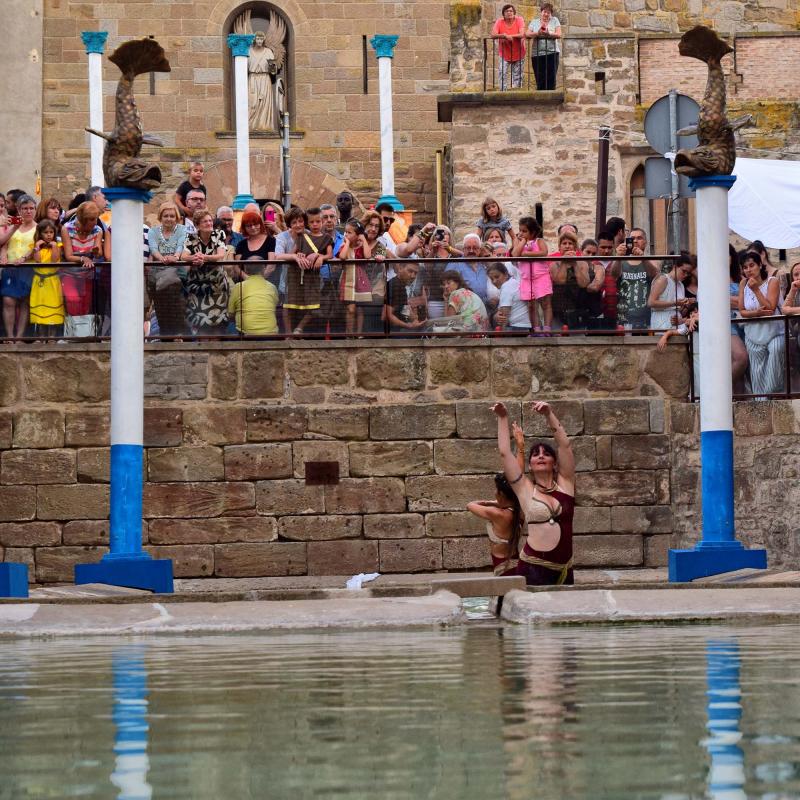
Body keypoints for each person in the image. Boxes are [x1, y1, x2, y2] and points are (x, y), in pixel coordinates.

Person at [492, 399, 576, 586]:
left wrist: (549, 414)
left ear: (555, 463)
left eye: (546, 453)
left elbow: (565, 446)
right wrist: (502, 417)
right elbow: (505, 452)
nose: (540, 455)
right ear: (529, 464)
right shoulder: (524, 488)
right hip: (534, 568)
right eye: (536, 454)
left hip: (564, 570)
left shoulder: (566, 484)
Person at [738, 249, 785, 397]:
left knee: (776, 351)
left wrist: (756, 290)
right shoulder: (743, 283)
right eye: (745, 267)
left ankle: (772, 392)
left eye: (751, 265)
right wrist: (756, 313)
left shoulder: (773, 281)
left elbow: (770, 307)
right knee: (757, 371)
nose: (748, 270)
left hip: (774, 332)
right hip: (753, 332)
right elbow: (742, 310)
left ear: (760, 265)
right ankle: (760, 402)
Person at [278, 207, 332, 336]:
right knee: (290, 304)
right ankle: (289, 334)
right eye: (312, 222)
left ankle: (300, 329)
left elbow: (329, 255)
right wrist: (297, 256)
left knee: (313, 305)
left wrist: (319, 256)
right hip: (295, 277)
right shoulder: (301, 237)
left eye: (318, 222)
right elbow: (289, 254)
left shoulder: (325, 238)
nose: (315, 224)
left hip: (312, 277)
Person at [61, 200, 106, 337]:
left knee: (86, 304)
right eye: (92, 219)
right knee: (73, 300)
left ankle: (83, 336)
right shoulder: (67, 229)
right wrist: (83, 258)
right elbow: (68, 255)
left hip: (87, 274)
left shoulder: (98, 230)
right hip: (70, 273)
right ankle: (72, 334)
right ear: (83, 219)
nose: (95, 221)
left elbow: (99, 254)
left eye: (96, 218)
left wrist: (96, 251)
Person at [181, 209, 229, 335]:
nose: (209, 223)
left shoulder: (219, 234)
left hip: (217, 283)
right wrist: (194, 258)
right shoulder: (191, 237)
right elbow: (183, 256)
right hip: (197, 284)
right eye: (205, 221)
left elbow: (220, 256)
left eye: (210, 220)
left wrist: (204, 257)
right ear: (197, 225)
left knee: (217, 319)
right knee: (200, 320)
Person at [467, 472, 524, 576]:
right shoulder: (519, 511)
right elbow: (512, 502)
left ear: (501, 494)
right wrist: (497, 502)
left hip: (502, 566)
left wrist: (488, 502)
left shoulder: (497, 513)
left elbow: (470, 505)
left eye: (496, 489)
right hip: (516, 561)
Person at [147, 201, 188, 337]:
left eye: (172, 216)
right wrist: (162, 258)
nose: (169, 219)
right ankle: (166, 335)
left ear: (176, 217)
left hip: (177, 271)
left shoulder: (182, 229)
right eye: (166, 216)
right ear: (160, 217)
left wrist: (175, 257)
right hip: (158, 271)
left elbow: (181, 246)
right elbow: (153, 248)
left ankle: (178, 334)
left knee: (176, 304)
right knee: (161, 306)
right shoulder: (153, 231)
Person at [0, 193, 37, 339]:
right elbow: (4, 243)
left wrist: (25, 257)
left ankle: (19, 337)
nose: (28, 211)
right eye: (25, 208)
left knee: (24, 302)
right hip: (10, 267)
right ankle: (9, 337)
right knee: (8, 300)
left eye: (31, 208)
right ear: (19, 210)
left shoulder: (39, 227)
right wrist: (3, 254)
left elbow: (38, 248)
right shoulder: (12, 226)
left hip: (29, 268)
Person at [613, 227, 659, 331]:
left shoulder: (652, 261)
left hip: (646, 318)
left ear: (645, 242)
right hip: (624, 318)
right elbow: (614, 274)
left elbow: (655, 274)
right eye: (632, 238)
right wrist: (618, 257)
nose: (635, 241)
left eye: (639, 238)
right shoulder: (621, 261)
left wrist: (643, 258)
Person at [512, 215, 550, 333]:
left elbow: (544, 252)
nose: (521, 233)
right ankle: (536, 329)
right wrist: (523, 240)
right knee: (531, 305)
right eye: (520, 230)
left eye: (525, 231)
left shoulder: (539, 241)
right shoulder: (519, 242)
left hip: (541, 276)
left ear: (533, 232)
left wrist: (527, 254)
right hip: (527, 278)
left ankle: (547, 329)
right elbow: (515, 254)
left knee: (545, 303)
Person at [338, 217, 375, 335]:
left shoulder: (361, 246)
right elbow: (342, 257)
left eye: (349, 232)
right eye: (346, 232)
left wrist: (364, 240)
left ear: (357, 234)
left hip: (360, 280)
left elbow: (368, 256)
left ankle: (358, 333)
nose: (346, 234)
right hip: (348, 280)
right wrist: (347, 243)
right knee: (350, 308)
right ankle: (349, 333)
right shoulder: (345, 245)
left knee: (359, 309)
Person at [29, 218, 64, 336]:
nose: (49, 235)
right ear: (40, 233)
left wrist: (54, 247)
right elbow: (38, 260)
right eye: (46, 232)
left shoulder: (58, 245)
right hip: (39, 281)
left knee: (52, 310)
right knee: (41, 311)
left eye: (51, 232)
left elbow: (54, 260)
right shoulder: (35, 246)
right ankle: (41, 337)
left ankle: (52, 337)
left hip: (52, 281)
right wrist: (37, 247)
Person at [227, 260, 279, 335]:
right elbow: (274, 308)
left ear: (245, 270)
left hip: (246, 335)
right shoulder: (272, 287)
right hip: (271, 333)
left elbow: (231, 314)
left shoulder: (238, 286)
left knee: (230, 326)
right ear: (264, 269)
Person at [648, 252, 691, 331]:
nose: (685, 275)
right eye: (683, 271)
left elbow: (679, 310)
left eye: (688, 273)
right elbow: (651, 302)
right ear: (675, 267)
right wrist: (674, 303)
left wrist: (686, 304)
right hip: (661, 324)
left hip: (677, 325)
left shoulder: (680, 284)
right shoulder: (663, 279)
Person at [550, 229, 581, 329]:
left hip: (577, 310)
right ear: (559, 247)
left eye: (570, 243)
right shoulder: (554, 264)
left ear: (575, 247)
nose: (567, 246)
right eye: (564, 243)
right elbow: (560, 281)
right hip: (557, 311)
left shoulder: (582, 264)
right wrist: (564, 261)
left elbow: (583, 283)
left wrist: (575, 263)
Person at [385, 261, 427, 334]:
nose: (413, 276)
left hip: (398, 331)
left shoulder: (401, 286)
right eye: (410, 271)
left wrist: (415, 319)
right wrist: (409, 326)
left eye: (415, 273)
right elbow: (388, 315)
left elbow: (405, 310)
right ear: (400, 268)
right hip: (390, 334)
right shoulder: (394, 285)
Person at [526, 2, 561, 90]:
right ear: (541, 12)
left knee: (551, 77)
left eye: (548, 12)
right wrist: (537, 33)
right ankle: (541, 99)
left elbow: (559, 34)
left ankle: (551, 100)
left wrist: (549, 33)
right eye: (544, 11)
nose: (546, 14)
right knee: (540, 77)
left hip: (552, 52)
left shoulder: (555, 20)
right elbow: (527, 34)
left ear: (551, 13)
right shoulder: (534, 22)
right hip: (537, 54)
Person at [488, 262, 530, 332]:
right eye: (491, 279)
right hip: (522, 326)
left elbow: (504, 315)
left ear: (506, 274)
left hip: (515, 327)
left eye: (497, 277)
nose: (494, 281)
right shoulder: (512, 283)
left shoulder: (507, 287)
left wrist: (502, 333)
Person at [492, 4, 527, 90]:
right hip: (504, 53)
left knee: (518, 76)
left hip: (519, 52)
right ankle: (503, 93)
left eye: (511, 11)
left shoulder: (519, 20)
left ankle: (516, 95)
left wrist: (509, 36)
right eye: (507, 11)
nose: (509, 13)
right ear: (503, 14)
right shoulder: (499, 22)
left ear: (514, 13)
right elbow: (493, 34)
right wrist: (504, 35)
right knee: (502, 73)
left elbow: (522, 34)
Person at [449, 234, 490, 303]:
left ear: (479, 250)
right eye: (468, 248)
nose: (471, 251)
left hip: (486, 308)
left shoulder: (484, 264)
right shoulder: (455, 264)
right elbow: (448, 287)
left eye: (475, 248)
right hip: (464, 308)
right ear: (463, 249)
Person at [574, 238, 605, 330]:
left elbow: (594, 287)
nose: (590, 256)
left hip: (595, 313)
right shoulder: (574, 266)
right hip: (577, 313)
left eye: (594, 254)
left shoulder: (598, 268)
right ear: (581, 250)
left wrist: (579, 282)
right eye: (588, 252)